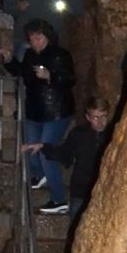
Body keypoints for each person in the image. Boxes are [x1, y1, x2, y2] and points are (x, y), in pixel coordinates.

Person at [1, 20, 75, 214]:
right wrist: (9, 60)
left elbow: (70, 79)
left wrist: (50, 76)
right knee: (30, 151)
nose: (35, 42)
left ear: (47, 36)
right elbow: (22, 73)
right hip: (34, 111)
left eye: (38, 37)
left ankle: (59, 200)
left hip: (56, 112)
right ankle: (40, 174)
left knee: (45, 153)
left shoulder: (60, 54)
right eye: (31, 38)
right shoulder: (29, 55)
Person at [32, 96, 110, 225]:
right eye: (96, 117)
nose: (100, 121)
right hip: (80, 191)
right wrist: (43, 147)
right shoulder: (79, 134)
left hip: (104, 191)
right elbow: (64, 154)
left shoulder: (114, 134)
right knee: (76, 229)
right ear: (88, 117)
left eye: (104, 116)